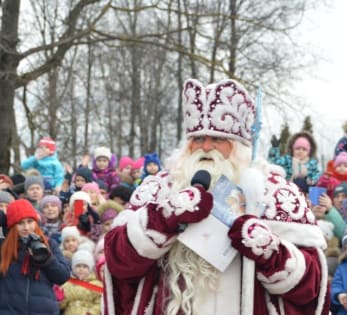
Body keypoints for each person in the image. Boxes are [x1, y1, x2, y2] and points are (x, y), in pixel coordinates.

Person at [104, 78, 330, 315]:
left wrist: (269, 250)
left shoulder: (276, 194)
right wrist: (162, 219)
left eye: (218, 139)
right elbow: (118, 263)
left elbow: (310, 286)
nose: (206, 147)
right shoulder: (159, 189)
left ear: (239, 146)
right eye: (198, 139)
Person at [0, 199, 70, 314]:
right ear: (12, 226)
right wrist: (3, 220)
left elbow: (62, 277)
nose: (26, 227)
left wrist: (47, 260)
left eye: (30, 221)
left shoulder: (49, 243)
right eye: (20, 223)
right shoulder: (3, 247)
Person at [59, 249, 102, 315]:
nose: (81, 269)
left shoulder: (97, 284)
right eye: (78, 266)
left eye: (85, 266)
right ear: (73, 267)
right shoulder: (67, 284)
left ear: (90, 269)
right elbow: (61, 306)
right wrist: (60, 298)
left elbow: (100, 303)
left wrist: (91, 313)